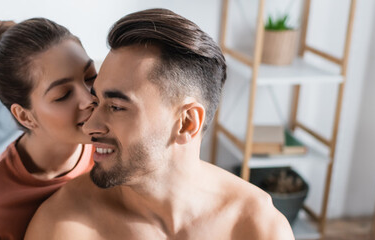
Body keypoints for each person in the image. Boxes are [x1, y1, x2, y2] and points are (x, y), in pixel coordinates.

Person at [25, 8, 294, 239]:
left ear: (187, 123)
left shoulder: (257, 227)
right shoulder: (64, 226)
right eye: (97, 102)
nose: (90, 126)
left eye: (117, 107)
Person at [0, 18, 98, 240]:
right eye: (63, 95)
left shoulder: (115, 151)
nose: (89, 99)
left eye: (90, 77)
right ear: (25, 116)